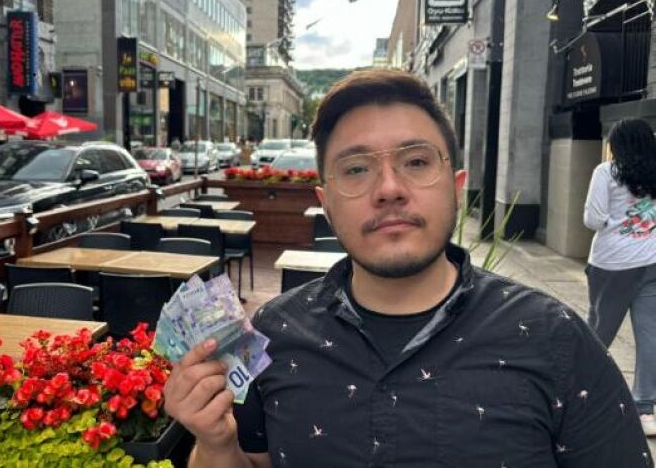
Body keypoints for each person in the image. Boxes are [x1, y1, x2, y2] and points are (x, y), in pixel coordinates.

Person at [164, 70, 649, 467]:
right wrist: (216, 443)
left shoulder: (556, 342)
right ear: (325, 204)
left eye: (416, 162)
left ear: (456, 186)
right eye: (356, 169)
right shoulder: (272, 334)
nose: (389, 188)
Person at [583, 118, 656, 435]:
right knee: (651, 336)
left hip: (612, 265)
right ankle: (645, 409)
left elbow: (593, 219)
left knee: (598, 333)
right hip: (652, 262)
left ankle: (581, 395)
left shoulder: (606, 172)